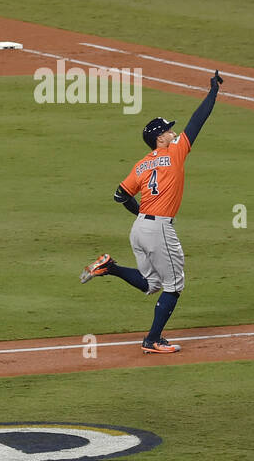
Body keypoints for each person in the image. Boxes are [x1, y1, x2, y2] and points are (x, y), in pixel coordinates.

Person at [80, 72, 223, 355]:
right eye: (169, 130)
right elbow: (198, 121)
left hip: (140, 229)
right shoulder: (177, 150)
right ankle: (153, 339)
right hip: (158, 229)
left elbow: (119, 195)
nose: (173, 132)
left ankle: (110, 267)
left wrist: (141, 215)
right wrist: (212, 93)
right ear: (160, 138)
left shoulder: (141, 165)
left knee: (152, 284)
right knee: (174, 286)